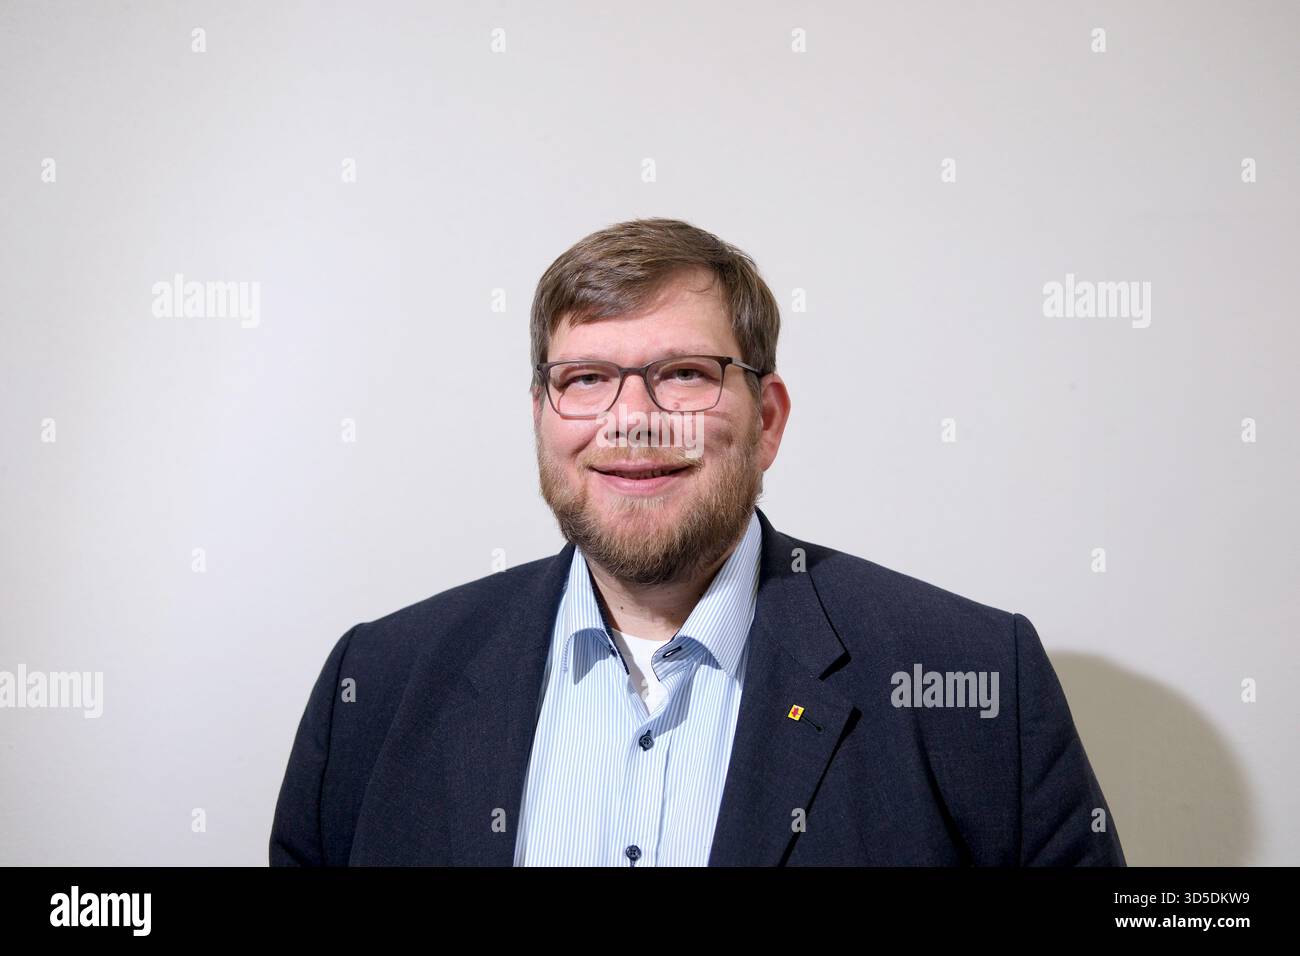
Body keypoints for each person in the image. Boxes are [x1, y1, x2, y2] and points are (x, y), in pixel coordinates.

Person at [269, 217, 1125, 866]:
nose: (633, 421)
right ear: (541, 418)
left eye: (684, 374)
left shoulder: (974, 679)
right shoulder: (374, 686)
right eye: (587, 379)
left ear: (768, 422)